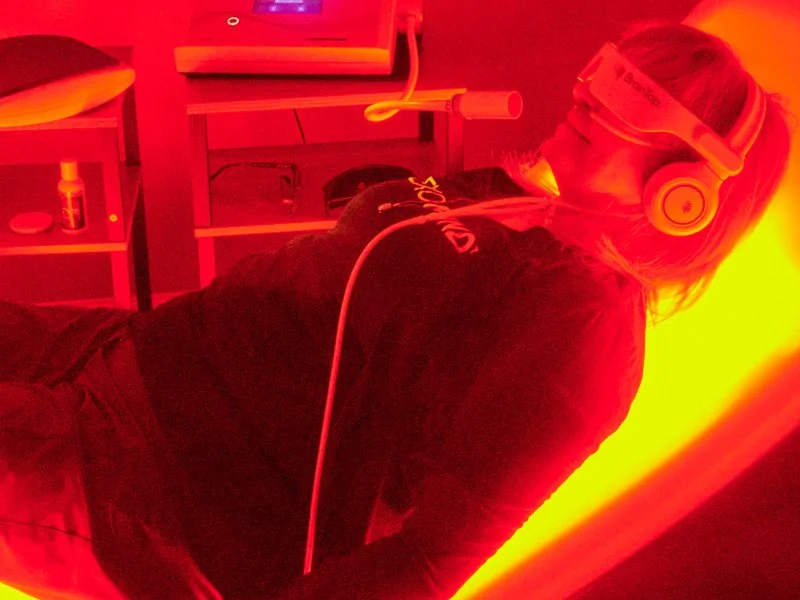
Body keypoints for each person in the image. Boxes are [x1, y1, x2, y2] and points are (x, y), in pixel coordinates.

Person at [0, 20, 793, 600]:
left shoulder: (582, 338)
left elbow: (425, 563)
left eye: (636, 100)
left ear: (683, 189)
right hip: (123, 354)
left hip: (150, 489)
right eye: (608, 72)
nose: (589, 94)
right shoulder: (518, 206)